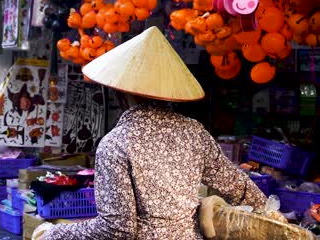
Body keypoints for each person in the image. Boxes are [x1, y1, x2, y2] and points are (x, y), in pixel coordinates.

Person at [35, 26, 267, 239]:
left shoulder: (116, 144)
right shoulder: (193, 132)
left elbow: (116, 229)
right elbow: (238, 186)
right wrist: (271, 215)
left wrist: (54, 234)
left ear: (120, 93)